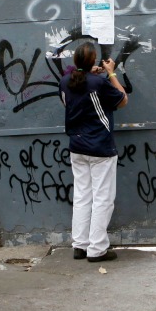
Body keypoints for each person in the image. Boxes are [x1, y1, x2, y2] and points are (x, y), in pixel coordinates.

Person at [60, 41, 127, 262]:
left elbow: (72, 102)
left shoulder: (64, 82)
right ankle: (97, 249)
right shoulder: (99, 83)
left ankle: (79, 245)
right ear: (92, 61)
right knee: (103, 199)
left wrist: (93, 74)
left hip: (77, 147)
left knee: (82, 196)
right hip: (100, 147)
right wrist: (111, 73)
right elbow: (122, 99)